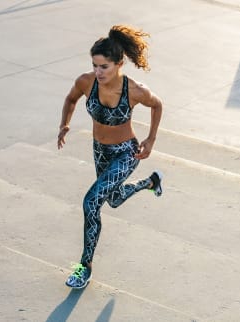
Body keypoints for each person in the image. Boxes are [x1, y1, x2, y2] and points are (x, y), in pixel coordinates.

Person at [57, 24, 163, 289]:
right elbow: (70, 100)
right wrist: (65, 124)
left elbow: (157, 105)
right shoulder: (86, 81)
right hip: (99, 151)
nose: (97, 71)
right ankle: (150, 183)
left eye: (103, 66)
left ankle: (84, 267)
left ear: (118, 63)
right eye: (94, 65)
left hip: (126, 153)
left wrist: (150, 139)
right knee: (113, 200)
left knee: (91, 202)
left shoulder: (134, 90)